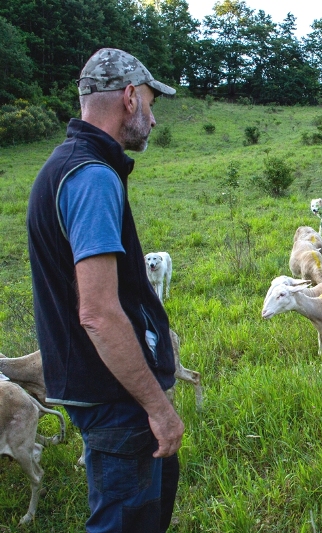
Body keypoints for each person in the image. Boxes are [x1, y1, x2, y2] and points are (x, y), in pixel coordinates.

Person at [27, 48, 184, 532]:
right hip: (115, 395)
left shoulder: (65, 165)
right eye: (153, 105)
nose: (154, 121)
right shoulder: (93, 177)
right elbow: (97, 311)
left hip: (93, 385)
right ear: (131, 98)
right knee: (125, 522)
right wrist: (158, 408)